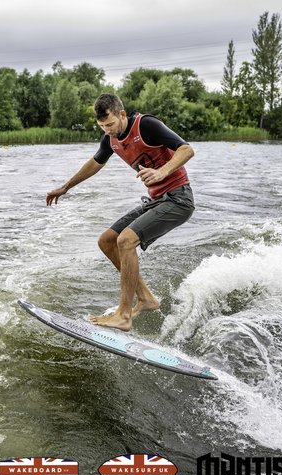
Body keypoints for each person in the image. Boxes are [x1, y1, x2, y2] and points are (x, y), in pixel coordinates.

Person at [46, 93, 195, 332]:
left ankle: (124, 315)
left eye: (110, 124)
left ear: (122, 114)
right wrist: (66, 187)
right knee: (107, 240)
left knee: (125, 241)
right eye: (102, 127)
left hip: (179, 199)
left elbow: (186, 149)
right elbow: (95, 163)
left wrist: (162, 172)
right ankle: (146, 298)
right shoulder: (111, 139)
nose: (108, 131)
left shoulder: (146, 125)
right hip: (157, 200)